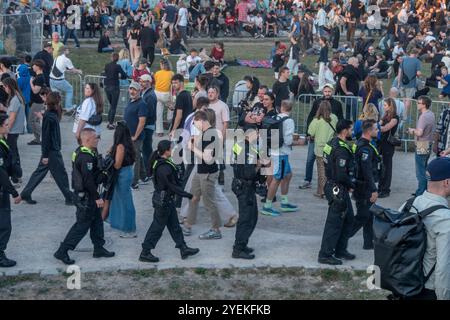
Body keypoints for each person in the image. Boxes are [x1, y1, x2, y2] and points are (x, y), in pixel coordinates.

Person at [54, 128, 115, 265]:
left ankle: (98, 248)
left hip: (87, 196)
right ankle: (62, 251)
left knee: (97, 222)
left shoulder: (83, 151)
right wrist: (97, 197)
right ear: (87, 140)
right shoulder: (85, 157)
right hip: (86, 197)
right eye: (95, 138)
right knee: (81, 226)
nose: (98, 140)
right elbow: (88, 181)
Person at [397, 157, 450, 300]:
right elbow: (443, 268)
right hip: (427, 289)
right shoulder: (446, 219)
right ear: (447, 182)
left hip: (404, 283)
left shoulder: (409, 204)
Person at [139, 140, 199, 263]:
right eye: (172, 148)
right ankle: (145, 252)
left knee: (175, 226)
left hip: (166, 201)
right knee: (156, 228)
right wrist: (188, 195)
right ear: (166, 151)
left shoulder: (162, 163)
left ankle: (183, 248)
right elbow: (172, 186)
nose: (173, 150)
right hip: (163, 202)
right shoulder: (164, 168)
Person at [20, 92, 74, 206]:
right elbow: (46, 137)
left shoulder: (50, 115)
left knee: (40, 173)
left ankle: (26, 192)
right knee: (61, 174)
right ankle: (69, 197)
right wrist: (45, 155)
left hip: (51, 151)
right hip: (52, 151)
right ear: (56, 102)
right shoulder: (50, 116)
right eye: (60, 100)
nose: (61, 102)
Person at [318, 119, 356, 265]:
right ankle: (325, 254)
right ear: (345, 131)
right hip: (337, 187)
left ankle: (340, 249)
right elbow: (341, 174)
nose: (352, 132)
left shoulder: (330, 143)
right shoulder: (341, 149)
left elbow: (326, 162)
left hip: (333, 185)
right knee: (334, 222)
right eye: (351, 129)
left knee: (349, 219)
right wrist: (351, 184)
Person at [185, 110, 222, 240]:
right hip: (200, 171)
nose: (194, 127)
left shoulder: (211, 134)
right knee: (193, 197)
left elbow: (207, 158)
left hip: (208, 173)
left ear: (201, 121)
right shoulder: (205, 133)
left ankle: (216, 229)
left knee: (209, 202)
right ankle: (188, 225)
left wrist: (192, 148)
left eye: (195, 124)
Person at [300, 84, 343, 189]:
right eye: (325, 91)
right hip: (316, 137)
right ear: (323, 92)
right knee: (310, 159)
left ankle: (329, 183)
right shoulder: (317, 102)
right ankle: (307, 179)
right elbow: (311, 117)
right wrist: (309, 134)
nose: (327, 93)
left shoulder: (337, 104)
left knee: (329, 161)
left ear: (332, 92)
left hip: (330, 139)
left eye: (329, 91)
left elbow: (340, 120)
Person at [261, 100, 297, 216]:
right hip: (281, 153)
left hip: (274, 150)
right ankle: (268, 205)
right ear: (291, 109)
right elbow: (288, 140)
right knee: (277, 179)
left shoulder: (275, 118)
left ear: (281, 107)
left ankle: (284, 202)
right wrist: (296, 141)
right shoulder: (289, 121)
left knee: (288, 175)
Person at [350, 120, 381, 250]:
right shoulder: (365, 148)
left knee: (370, 215)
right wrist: (374, 189)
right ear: (369, 131)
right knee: (362, 216)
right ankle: (342, 237)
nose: (378, 131)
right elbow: (366, 170)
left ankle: (368, 243)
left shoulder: (364, 144)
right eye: (376, 129)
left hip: (364, 184)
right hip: (364, 186)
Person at [231, 129, 261, 260]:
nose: (258, 135)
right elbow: (249, 173)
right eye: (256, 133)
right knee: (247, 218)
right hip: (245, 187)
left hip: (239, 184)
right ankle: (238, 249)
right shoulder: (249, 150)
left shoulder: (238, 145)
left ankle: (242, 245)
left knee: (250, 216)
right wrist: (259, 166)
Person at [107, 122, 137, 238]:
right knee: (125, 199)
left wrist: (110, 158)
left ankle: (128, 228)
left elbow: (117, 165)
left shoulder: (120, 146)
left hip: (122, 174)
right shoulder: (129, 144)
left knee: (124, 200)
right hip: (128, 172)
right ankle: (126, 225)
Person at [0, 113, 22, 268]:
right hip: (1, 192)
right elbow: (1, 174)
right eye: (6, 124)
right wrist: (14, 192)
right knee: (4, 225)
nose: (9, 126)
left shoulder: (3, 142)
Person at [307, 100, 338, 199]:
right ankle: (331, 191)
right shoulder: (334, 118)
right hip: (331, 147)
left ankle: (322, 191)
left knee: (321, 171)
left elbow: (310, 132)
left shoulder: (317, 120)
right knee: (330, 170)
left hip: (320, 148)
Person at [408, 96, 436, 196]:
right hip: (428, 143)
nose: (417, 104)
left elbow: (419, 133)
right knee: (424, 168)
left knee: (420, 171)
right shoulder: (431, 114)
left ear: (424, 105)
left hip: (422, 144)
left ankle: (421, 192)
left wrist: (412, 131)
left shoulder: (423, 116)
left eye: (419, 103)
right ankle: (424, 190)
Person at [1, 77, 26, 185]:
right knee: (14, 153)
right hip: (14, 129)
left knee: (12, 154)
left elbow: (12, 117)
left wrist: (6, 130)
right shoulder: (17, 97)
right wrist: (4, 108)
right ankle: (17, 175)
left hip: (13, 130)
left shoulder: (15, 99)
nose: (4, 88)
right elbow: (12, 112)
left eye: (4, 86)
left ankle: (16, 176)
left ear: (9, 86)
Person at [124, 81, 148, 190]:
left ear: (139, 91)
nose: (132, 91)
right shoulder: (131, 100)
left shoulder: (142, 104)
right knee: (138, 155)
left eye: (134, 89)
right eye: (131, 89)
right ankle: (144, 175)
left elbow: (142, 122)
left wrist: (135, 136)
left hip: (136, 136)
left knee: (136, 157)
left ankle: (135, 182)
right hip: (128, 135)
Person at [207, 86, 229, 186]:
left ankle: (221, 174)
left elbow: (225, 123)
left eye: (212, 92)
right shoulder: (206, 105)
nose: (210, 94)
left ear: (217, 93)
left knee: (218, 157)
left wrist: (222, 137)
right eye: (209, 92)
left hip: (218, 136)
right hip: (207, 136)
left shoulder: (222, 106)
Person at [49, 46, 83, 113]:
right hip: (59, 80)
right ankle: (68, 107)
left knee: (56, 96)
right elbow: (73, 70)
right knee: (69, 89)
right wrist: (79, 71)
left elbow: (60, 69)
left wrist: (68, 71)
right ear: (64, 51)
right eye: (68, 49)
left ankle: (55, 110)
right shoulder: (66, 60)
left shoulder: (56, 58)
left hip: (51, 80)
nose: (69, 51)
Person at [378, 98, 399, 198]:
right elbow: (379, 124)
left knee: (387, 167)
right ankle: (381, 187)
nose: (384, 107)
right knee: (381, 166)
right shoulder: (385, 116)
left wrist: (376, 127)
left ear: (391, 106)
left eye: (385, 105)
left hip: (388, 145)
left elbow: (384, 128)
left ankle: (386, 189)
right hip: (382, 143)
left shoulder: (395, 118)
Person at [104, 52, 128, 130]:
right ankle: (110, 124)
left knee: (111, 106)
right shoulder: (117, 66)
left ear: (111, 58)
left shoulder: (107, 65)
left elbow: (106, 74)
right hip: (114, 87)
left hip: (107, 87)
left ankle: (109, 122)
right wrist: (121, 77)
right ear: (117, 59)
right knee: (113, 106)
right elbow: (124, 75)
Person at [139, 74, 157, 177]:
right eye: (140, 81)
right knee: (146, 150)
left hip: (147, 126)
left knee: (146, 150)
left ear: (149, 82)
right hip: (146, 125)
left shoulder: (150, 95)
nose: (141, 83)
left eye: (143, 81)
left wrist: (140, 123)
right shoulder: (145, 93)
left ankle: (148, 172)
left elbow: (149, 113)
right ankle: (148, 171)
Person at [28, 59, 47, 145]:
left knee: (32, 121)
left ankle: (43, 137)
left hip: (37, 102)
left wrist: (31, 83)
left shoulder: (40, 77)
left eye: (34, 65)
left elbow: (36, 91)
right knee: (36, 121)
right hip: (36, 101)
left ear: (38, 67)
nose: (33, 67)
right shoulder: (38, 76)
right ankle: (37, 139)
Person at [169, 74, 193, 140]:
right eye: (172, 83)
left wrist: (173, 130)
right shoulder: (188, 94)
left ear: (182, 83)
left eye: (176, 83)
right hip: (187, 127)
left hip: (180, 128)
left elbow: (179, 116)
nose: (173, 85)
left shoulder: (180, 96)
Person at [337, 57, 361, 121]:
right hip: (348, 95)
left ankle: (347, 123)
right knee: (354, 106)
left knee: (348, 109)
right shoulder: (349, 69)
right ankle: (355, 122)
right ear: (352, 63)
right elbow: (342, 81)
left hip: (350, 95)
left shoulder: (350, 69)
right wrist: (346, 92)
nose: (358, 64)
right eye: (357, 63)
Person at [154, 59, 174, 137]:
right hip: (166, 94)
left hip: (157, 93)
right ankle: (169, 122)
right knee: (171, 109)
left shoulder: (157, 73)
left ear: (162, 65)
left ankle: (159, 131)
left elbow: (156, 81)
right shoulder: (171, 73)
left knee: (158, 113)